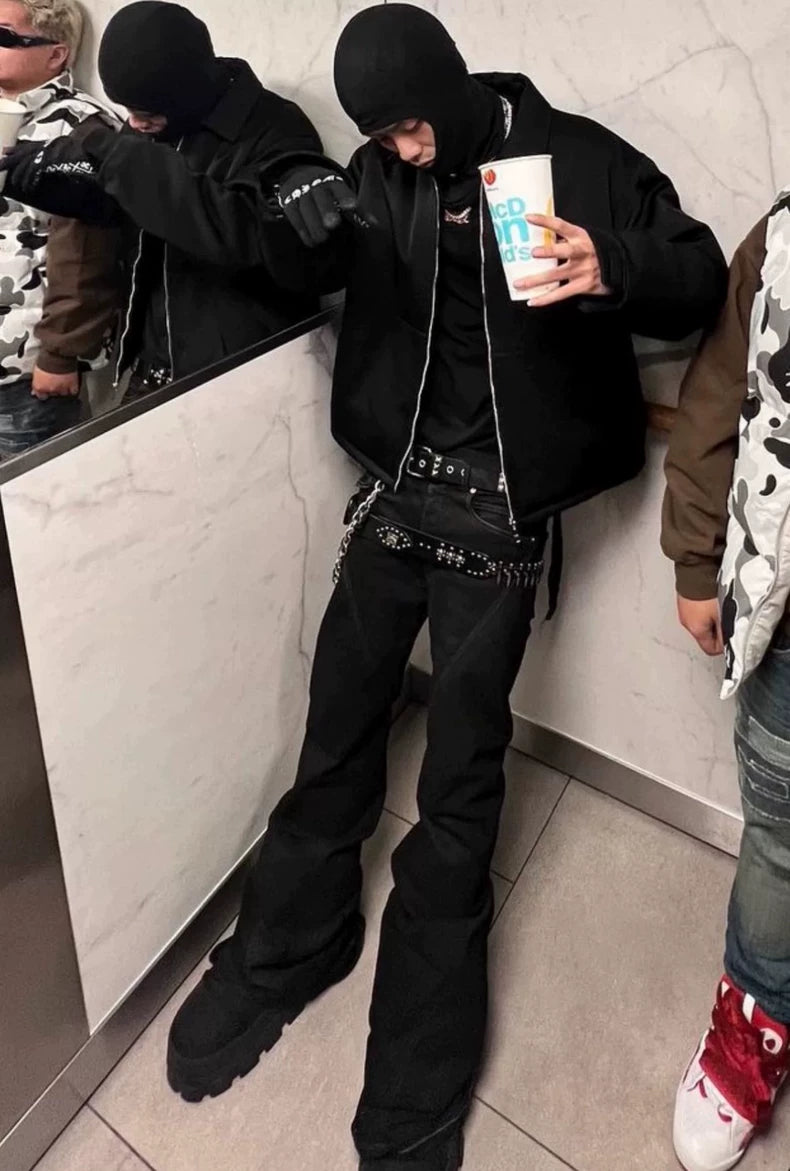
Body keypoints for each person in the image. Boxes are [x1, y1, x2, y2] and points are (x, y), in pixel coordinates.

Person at [166, 6, 727, 1170]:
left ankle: (420, 1055)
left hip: (500, 515)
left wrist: (611, 264)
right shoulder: (379, 176)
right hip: (395, 492)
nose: (403, 151)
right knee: (335, 731)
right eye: (383, 137)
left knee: (460, 782)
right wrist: (296, 213)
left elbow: (697, 277)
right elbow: (295, 256)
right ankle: (293, 944)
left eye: (413, 129)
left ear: (453, 88)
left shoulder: (576, 156)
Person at [0, 0, 333, 403]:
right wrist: (41, 177)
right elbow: (117, 208)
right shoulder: (153, 123)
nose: (134, 122)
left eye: (145, 112)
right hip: (151, 373)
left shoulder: (272, 127)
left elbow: (248, 236)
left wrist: (123, 160)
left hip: (242, 378)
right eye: (128, 110)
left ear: (188, 89)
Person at [663, 196, 790, 1170]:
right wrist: (694, 556)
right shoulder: (783, 235)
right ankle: (751, 1023)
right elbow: (718, 391)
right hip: (789, 623)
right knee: (780, 837)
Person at [0, 0, 120, 458]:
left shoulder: (81, 128)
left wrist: (61, 353)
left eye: (4, 36)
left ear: (56, 53)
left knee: (29, 500)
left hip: (26, 377)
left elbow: (87, 252)